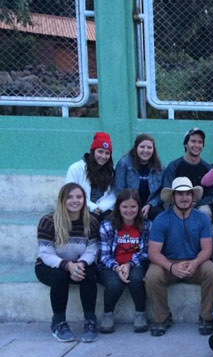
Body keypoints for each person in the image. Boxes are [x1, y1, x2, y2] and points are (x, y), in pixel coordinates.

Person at [145, 177, 213, 337]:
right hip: (169, 263)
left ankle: (206, 317)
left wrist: (195, 263)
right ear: (173, 197)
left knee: (212, 271)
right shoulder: (161, 219)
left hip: (195, 262)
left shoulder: (202, 218)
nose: (184, 198)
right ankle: (162, 317)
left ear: (193, 197)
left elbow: (207, 249)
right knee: (152, 276)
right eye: (180, 194)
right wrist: (171, 267)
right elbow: (153, 252)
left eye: (188, 194)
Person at [35, 183, 99, 343]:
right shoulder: (48, 221)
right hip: (49, 267)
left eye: (79, 197)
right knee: (59, 274)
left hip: (79, 265)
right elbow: (46, 254)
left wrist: (81, 264)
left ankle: (91, 320)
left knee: (90, 271)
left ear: (84, 200)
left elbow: (92, 250)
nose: (74, 201)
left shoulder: (91, 221)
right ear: (62, 200)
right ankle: (59, 322)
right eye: (69, 197)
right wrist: (68, 265)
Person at [98, 188, 151, 334]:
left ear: (139, 208)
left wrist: (128, 265)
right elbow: (103, 255)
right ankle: (108, 314)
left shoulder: (146, 226)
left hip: (135, 264)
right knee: (114, 283)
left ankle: (140, 313)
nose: (129, 210)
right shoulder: (106, 225)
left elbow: (146, 252)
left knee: (136, 278)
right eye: (125, 207)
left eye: (133, 206)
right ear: (118, 208)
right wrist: (117, 267)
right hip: (110, 265)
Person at [161, 127, 213, 219]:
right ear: (185, 144)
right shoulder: (173, 166)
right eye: (193, 141)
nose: (197, 145)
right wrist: (181, 202)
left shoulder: (208, 168)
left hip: (199, 205)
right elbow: (167, 190)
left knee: (205, 211)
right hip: (176, 204)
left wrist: (197, 203)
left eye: (200, 142)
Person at [65, 131, 116, 219]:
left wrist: (101, 208)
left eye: (107, 153)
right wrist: (92, 207)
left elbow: (113, 194)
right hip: (81, 208)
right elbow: (69, 193)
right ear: (93, 152)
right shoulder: (75, 169)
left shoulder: (112, 170)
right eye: (100, 152)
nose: (103, 156)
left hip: (104, 210)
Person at [114, 134, 164, 221]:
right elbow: (119, 190)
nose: (145, 150)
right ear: (136, 148)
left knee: (160, 216)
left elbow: (162, 193)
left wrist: (150, 205)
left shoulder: (159, 167)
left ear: (153, 150)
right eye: (142, 147)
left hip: (150, 206)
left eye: (149, 147)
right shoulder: (124, 164)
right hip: (128, 205)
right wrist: (133, 207)